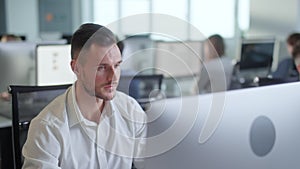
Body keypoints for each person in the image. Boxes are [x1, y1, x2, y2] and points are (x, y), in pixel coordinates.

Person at [22, 23, 147, 169]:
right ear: (76, 68)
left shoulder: (131, 110)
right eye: (101, 67)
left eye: (117, 65)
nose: (113, 77)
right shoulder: (48, 127)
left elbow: (152, 162)